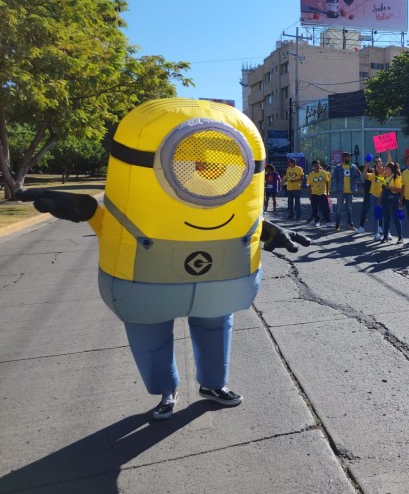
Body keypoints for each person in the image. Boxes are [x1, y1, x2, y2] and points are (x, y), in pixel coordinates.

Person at [17, 98, 311, 420]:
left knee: (215, 326)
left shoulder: (225, 176)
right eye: (194, 162)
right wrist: (84, 210)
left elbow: (240, 214)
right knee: (151, 334)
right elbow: (113, 216)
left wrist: (269, 231)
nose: (202, 169)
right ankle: (165, 390)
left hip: (219, 278)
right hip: (151, 280)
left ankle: (213, 385)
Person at [330, 151, 361, 231]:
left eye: (350, 157)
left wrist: (358, 173)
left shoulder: (353, 167)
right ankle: (337, 225)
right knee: (339, 208)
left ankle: (350, 224)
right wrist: (335, 189)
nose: (349, 158)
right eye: (348, 157)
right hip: (340, 191)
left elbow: (357, 178)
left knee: (349, 208)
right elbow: (334, 179)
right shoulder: (338, 167)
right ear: (343, 158)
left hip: (350, 191)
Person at [364, 158, 388, 240]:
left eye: (381, 166)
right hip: (374, 197)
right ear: (375, 167)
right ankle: (376, 233)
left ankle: (387, 232)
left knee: (386, 215)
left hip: (384, 197)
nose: (379, 167)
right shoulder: (373, 175)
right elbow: (365, 176)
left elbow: (389, 162)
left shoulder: (386, 175)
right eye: (377, 166)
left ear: (384, 167)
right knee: (376, 216)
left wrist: (388, 152)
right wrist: (366, 166)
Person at [381, 162, 404, 244]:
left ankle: (400, 237)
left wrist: (388, 187)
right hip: (385, 199)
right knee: (386, 218)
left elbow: (399, 189)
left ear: (391, 169)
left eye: (386, 168)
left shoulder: (396, 177)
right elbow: (383, 190)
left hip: (393, 200)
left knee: (396, 219)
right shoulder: (386, 177)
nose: (385, 169)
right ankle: (385, 236)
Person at [307, 160, 331, 227]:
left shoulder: (324, 173)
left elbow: (327, 182)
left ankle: (328, 221)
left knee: (325, 208)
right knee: (315, 209)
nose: (317, 167)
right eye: (315, 165)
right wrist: (309, 195)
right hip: (314, 194)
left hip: (323, 193)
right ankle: (317, 221)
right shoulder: (311, 174)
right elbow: (309, 185)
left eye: (318, 165)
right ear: (313, 166)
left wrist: (327, 192)